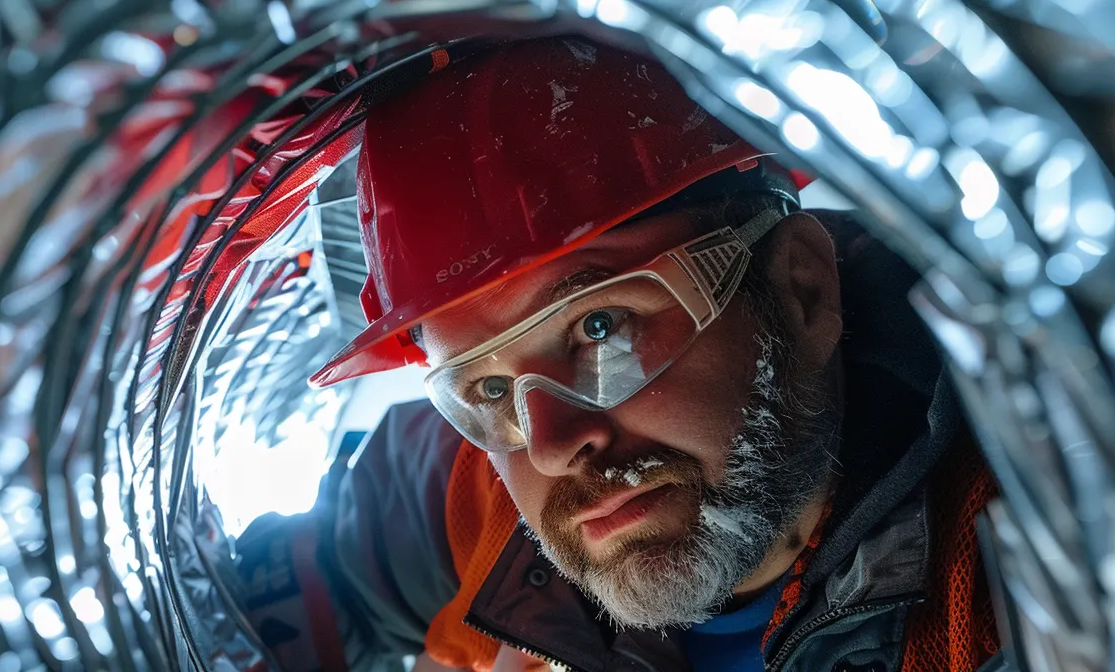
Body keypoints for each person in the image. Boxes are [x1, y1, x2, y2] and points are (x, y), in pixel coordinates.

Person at [234, 36, 1006, 672]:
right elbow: (290, 594)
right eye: (489, 387)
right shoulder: (478, 487)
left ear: (801, 290)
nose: (555, 445)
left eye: (598, 328)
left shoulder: (1009, 570)